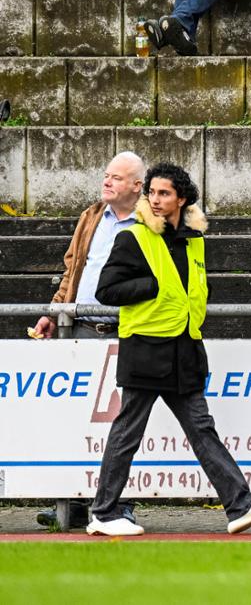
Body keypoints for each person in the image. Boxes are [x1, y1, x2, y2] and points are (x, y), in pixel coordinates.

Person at [84, 162, 251, 537]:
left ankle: (240, 505)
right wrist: (151, 286)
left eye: (164, 193)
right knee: (128, 433)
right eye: (151, 192)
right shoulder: (133, 237)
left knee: (201, 429)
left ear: (182, 199)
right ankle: (104, 513)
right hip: (146, 350)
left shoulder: (195, 241)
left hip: (183, 351)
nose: (155, 199)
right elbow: (106, 290)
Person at [30, 151, 145, 532]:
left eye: (117, 177)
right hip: (81, 328)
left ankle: (118, 504)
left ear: (137, 186)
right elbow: (72, 271)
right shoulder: (92, 216)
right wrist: (53, 312)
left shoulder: (150, 222)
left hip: (128, 331)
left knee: (122, 424)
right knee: (76, 419)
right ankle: (75, 503)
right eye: (106, 175)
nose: (107, 181)